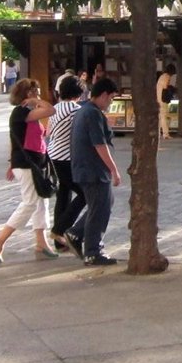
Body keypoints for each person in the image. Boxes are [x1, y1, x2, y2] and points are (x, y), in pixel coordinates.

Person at [0, 78, 58, 264]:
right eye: (35, 91)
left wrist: (11, 163)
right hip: (27, 164)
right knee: (30, 202)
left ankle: (41, 242)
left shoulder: (29, 114)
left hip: (34, 163)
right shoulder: (22, 112)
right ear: (28, 93)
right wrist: (35, 102)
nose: (38, 94)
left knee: (41, 202)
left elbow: (17, 138)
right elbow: (50, 110)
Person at [62, 76, 122, 266]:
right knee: (99, 209)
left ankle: (76, 233)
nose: (111, 102)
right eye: (111, 98)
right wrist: (114, 170)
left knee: (104, 203)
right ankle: (93, 251)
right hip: (93, 169)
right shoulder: (92, 113)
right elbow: (99, 144)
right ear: (103, 95)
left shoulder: (85, 110)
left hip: (87, 168)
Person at [47, 74, 86, 251]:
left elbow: (49, 132)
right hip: (67, 157)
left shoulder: (55, 108)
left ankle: (59, 241)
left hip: (53, 155)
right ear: (79, 92)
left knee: (63, 195)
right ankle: (59, 230)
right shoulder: (76, 110)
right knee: (85, 194)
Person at [156, 62, 176, 139]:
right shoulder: (167, 77)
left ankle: (159, 132)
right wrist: (171, 88)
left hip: (159, 98)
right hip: (162, 99)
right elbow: (165, 87)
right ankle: (165, 133)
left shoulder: (162, 76)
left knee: (161, 116)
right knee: (163, 116)